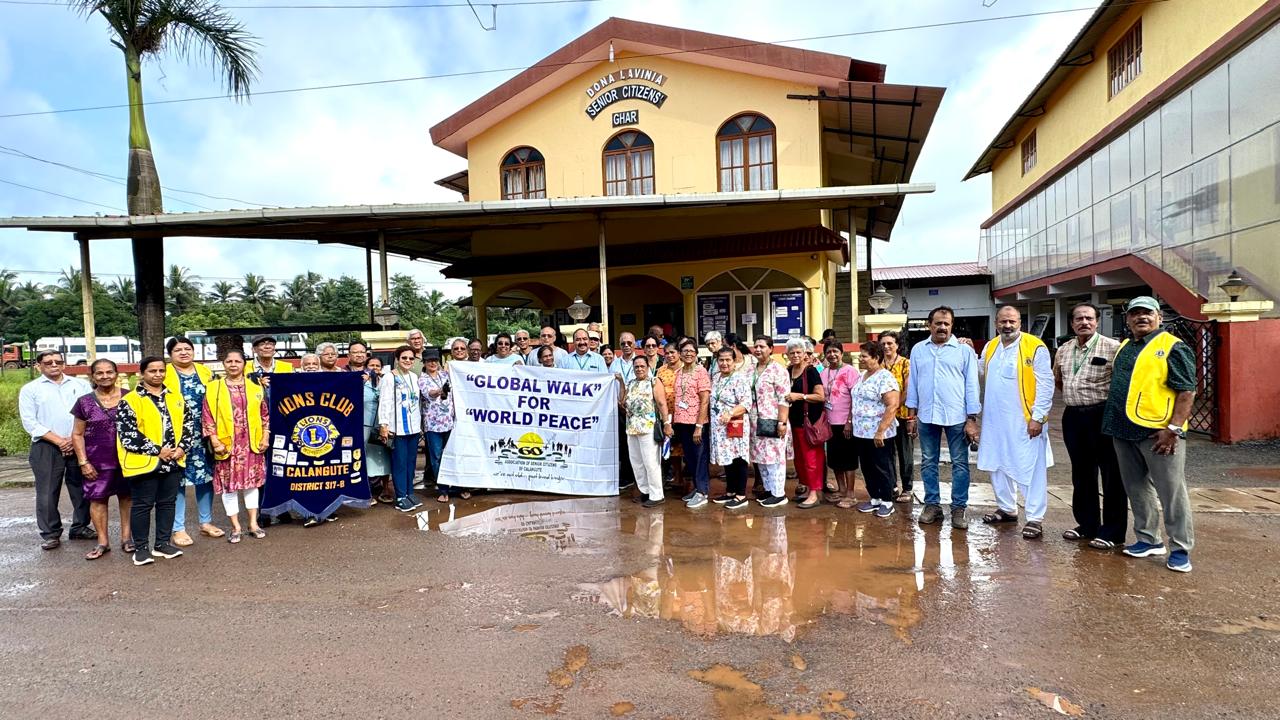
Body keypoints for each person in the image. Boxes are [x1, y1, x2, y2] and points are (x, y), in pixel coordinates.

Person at [1103, 296, 1197, 573]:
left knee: (1172, 491)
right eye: (1135, 314)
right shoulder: (1125, 347)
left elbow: (1186, 391)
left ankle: (1180, 547)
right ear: (1128, 319)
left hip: (1159, 433)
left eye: (1147, 313)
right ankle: (1148, 539)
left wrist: (1174, 429)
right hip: (1123, 429)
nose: (1140, 318)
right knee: (1137, 488)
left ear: (1159, 317)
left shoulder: (1173, 347)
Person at [977, 306, 1055, 540]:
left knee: (1030, 468)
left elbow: (1046, 383)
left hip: (1025, 420)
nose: (1007, 326)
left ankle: (1034, 518)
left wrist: (1038, 417)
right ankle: (1007, 509)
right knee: (998, 464)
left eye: (1012, 321)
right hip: (995, 420)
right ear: (996, 324)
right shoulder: (991, 347)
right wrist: (967, 351)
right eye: (1003, 322)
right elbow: (980, 370)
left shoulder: (1035, 346)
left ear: (1020, 323)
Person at [1054, 303, 1126, 549]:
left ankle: (1113, 531)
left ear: (1096, 321)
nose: (1084, 322)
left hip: (1102, 415)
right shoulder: (1064, 349)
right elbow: (1059, 380)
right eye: (1078, 319)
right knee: (1081, 473)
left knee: (1111, 474)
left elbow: (1120, 386)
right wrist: (1078, 399)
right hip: (1074, 416)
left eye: (1089, 318)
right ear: (1072, 323)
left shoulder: (1113, 348)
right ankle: (1087, 525)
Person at [904, 306, 981, 530]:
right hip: (927, 415)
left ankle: (958, 508)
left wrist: (971, 418)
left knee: (960, 463)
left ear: (952, 326)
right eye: (938, 323)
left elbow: (972, 385)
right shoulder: (919, 349)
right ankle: (932, 505)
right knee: (928, 461)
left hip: (957, 415)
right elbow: (914, 384)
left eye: (947, 323)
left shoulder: (964, 351)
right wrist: (911, 415)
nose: (943, 327)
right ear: (930, 325)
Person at [115, 356, 197, 567]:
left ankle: (162, 543)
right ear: (142, 373)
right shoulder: (131, 400)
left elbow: (188, 426)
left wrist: (181, 448)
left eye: (161, 370)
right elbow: (128, 435)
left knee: (167, 503)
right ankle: (141, 548)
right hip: (144, 462)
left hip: (173, 461)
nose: (158, 374)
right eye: (152, 371)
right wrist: (158, 451)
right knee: (142, 505)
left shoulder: (175, 397)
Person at [19, 350, 95, 550]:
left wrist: (72, 439)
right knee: (47, 491)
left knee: (81, 487)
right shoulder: (30, 389)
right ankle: (51, 533)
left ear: (64, 364)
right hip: (46, 445)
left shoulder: (81, 385)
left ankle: (80, 527)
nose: (54, 365)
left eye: (58, 361)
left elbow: (90, 412)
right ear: (39, 366)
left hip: (78, 441)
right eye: (48, 362)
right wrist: (59, 441)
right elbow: (29, 422)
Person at [203, 349, 269, 544]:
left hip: (251, 444)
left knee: (251, 486)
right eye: (229, 361)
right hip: (227, 445)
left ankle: (253, 523)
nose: (233, 364)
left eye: (237, 361)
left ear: (244, 364)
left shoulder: (255, 387)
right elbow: (207, 416)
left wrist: (265, 436)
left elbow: (265, 415)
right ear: (223, 364)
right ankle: (235, 526)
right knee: (229, 488)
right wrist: (214, 440)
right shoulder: (213, 388)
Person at [70, 358, 132, 559]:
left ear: (116, 374)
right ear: (93, 376)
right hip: (97, 462)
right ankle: (103, 542)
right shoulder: (84, 402)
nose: (105, 376)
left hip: (128, 460)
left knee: (127, 498)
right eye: (100, 373)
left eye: (109, 372)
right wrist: (83, 462)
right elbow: (77, 434)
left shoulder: (131, 398)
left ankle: (127, 538)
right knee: (98, 500)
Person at [165, 336, 221, 546]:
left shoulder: (205, 371)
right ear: (171, 354)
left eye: (187, 349)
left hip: (203, 433)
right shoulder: (165, 372)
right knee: (176, 481)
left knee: (205, 478)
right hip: (176, 435)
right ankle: (177, 528)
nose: (184, 353)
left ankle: (205, 522)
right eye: (178, 350)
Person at [850, 341, 901, 517]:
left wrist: (880, 431)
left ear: (876, 357)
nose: (861, 359)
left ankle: (887, 500)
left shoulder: (885, 377)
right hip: (861, 432)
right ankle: (875, 498)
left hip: (879, 432)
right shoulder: (861, 375)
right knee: (867, 466)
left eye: (864, 356)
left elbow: (892, 405)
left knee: (882, 466)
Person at [378, 345, 424, 513]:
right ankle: (400, 497)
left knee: (411, 463)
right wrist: (384, 425)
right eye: (404, 358)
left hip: (412, 427)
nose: (408, 361)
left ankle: (409, 492)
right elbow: (385, 402)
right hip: (397, 428)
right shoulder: (390, 377)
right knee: (399, 463)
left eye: (411, 358)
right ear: (397, 359)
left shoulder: (413, 376)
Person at [622, 355, 670, 507]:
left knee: (651, 462)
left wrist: (667, 423)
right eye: (636, 367)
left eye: (642, 366)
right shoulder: (631, 383)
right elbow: (623, 402)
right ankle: (645, 491)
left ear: (648, 367)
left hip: (648, 428)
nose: (639, 369)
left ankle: (657, 495)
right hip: (632, 428)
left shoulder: (654, 381)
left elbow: (662, 403)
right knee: (637, 462)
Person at [708, 347, 753, 510]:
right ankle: (730, 491)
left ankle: (741, 495)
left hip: (735, 425)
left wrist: (731, 413)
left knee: (738, 458)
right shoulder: (716, 377)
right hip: (720, 427)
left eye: (728, 360)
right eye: (721, 360)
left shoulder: (739, 378)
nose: (724, 363)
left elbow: (746, 403)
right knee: (727, 458)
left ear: (734, 362)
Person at [749, 335, 791, 507]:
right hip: (755, 421)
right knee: (760, 458)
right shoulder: (752, 369)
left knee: (775, 458)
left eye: (762, 346)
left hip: (773, 420)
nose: (758, 350)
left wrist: (782, 422)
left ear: (771, 349)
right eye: (756, 346)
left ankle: (779, 494)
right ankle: (768, 490)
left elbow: (784, 398)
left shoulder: (778, 370)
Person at [785, 338, 826, 509]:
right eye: (792, 352)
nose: (795, 355)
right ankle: (807, 488)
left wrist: (800, 396)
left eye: (798, 352)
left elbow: (820, 396)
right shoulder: (788, 371)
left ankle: (814, 493)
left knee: (811, 459)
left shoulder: (811, 371)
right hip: (793, 422)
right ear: (787, 355)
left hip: (809, 422)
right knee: (800, 459)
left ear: (805, 354)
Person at [670, 338, 712, 508]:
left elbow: (704, 400)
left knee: (700, 457)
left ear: (696, 354)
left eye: (691, 351)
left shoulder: (701, 372)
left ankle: (703, 492)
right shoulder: (679, 372)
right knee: (690, 458)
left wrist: (699, 426)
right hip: (682, 423)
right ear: (680, 354)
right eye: (685, 351)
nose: (688, 354)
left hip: (697, 423)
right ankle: (696, 488)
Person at [820, 338, 860, 508]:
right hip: (830, 423)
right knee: (835, 458)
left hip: (846, 423)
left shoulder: (851, 372)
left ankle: (851, 494)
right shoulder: (823, 373)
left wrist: (849, 421)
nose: (832, 354)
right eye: (829, 352)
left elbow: (855, 398)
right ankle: (841, 490)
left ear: (842, 353)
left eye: (835, 351)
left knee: (848, 459)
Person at [419, 349, 462, 502]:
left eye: (435, 360)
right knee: (436, 457)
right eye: (429, 360)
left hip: (449, 422)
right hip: (433, 425)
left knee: (452, 454)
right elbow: (429, 393)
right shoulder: (422, 379)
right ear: (424, 362)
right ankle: (443, 489)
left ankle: (457, 487)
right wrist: (440, 390)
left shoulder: (445, 375)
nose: (433, 363)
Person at [880, 331, 914, 503]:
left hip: (901, 414)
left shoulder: (905, 364)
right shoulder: (878, 363)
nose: (886, 346)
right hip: (883, 417)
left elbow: (907, 390)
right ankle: (891, 485)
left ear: (897, 345)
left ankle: (907, 488)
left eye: (890, 343)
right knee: (887, 453)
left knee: (905, 453)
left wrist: (895, 408)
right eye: (883, 343)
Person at [361, 357, 393, 504]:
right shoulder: (361, 382)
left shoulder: (386, 382)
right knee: (366, 458)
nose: (375, 368)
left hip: (383, 425)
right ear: (366, 367)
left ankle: (386, 488)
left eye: (377, 365)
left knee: (384, 457)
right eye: (371, 365)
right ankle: (366, 491)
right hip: (365, 425)